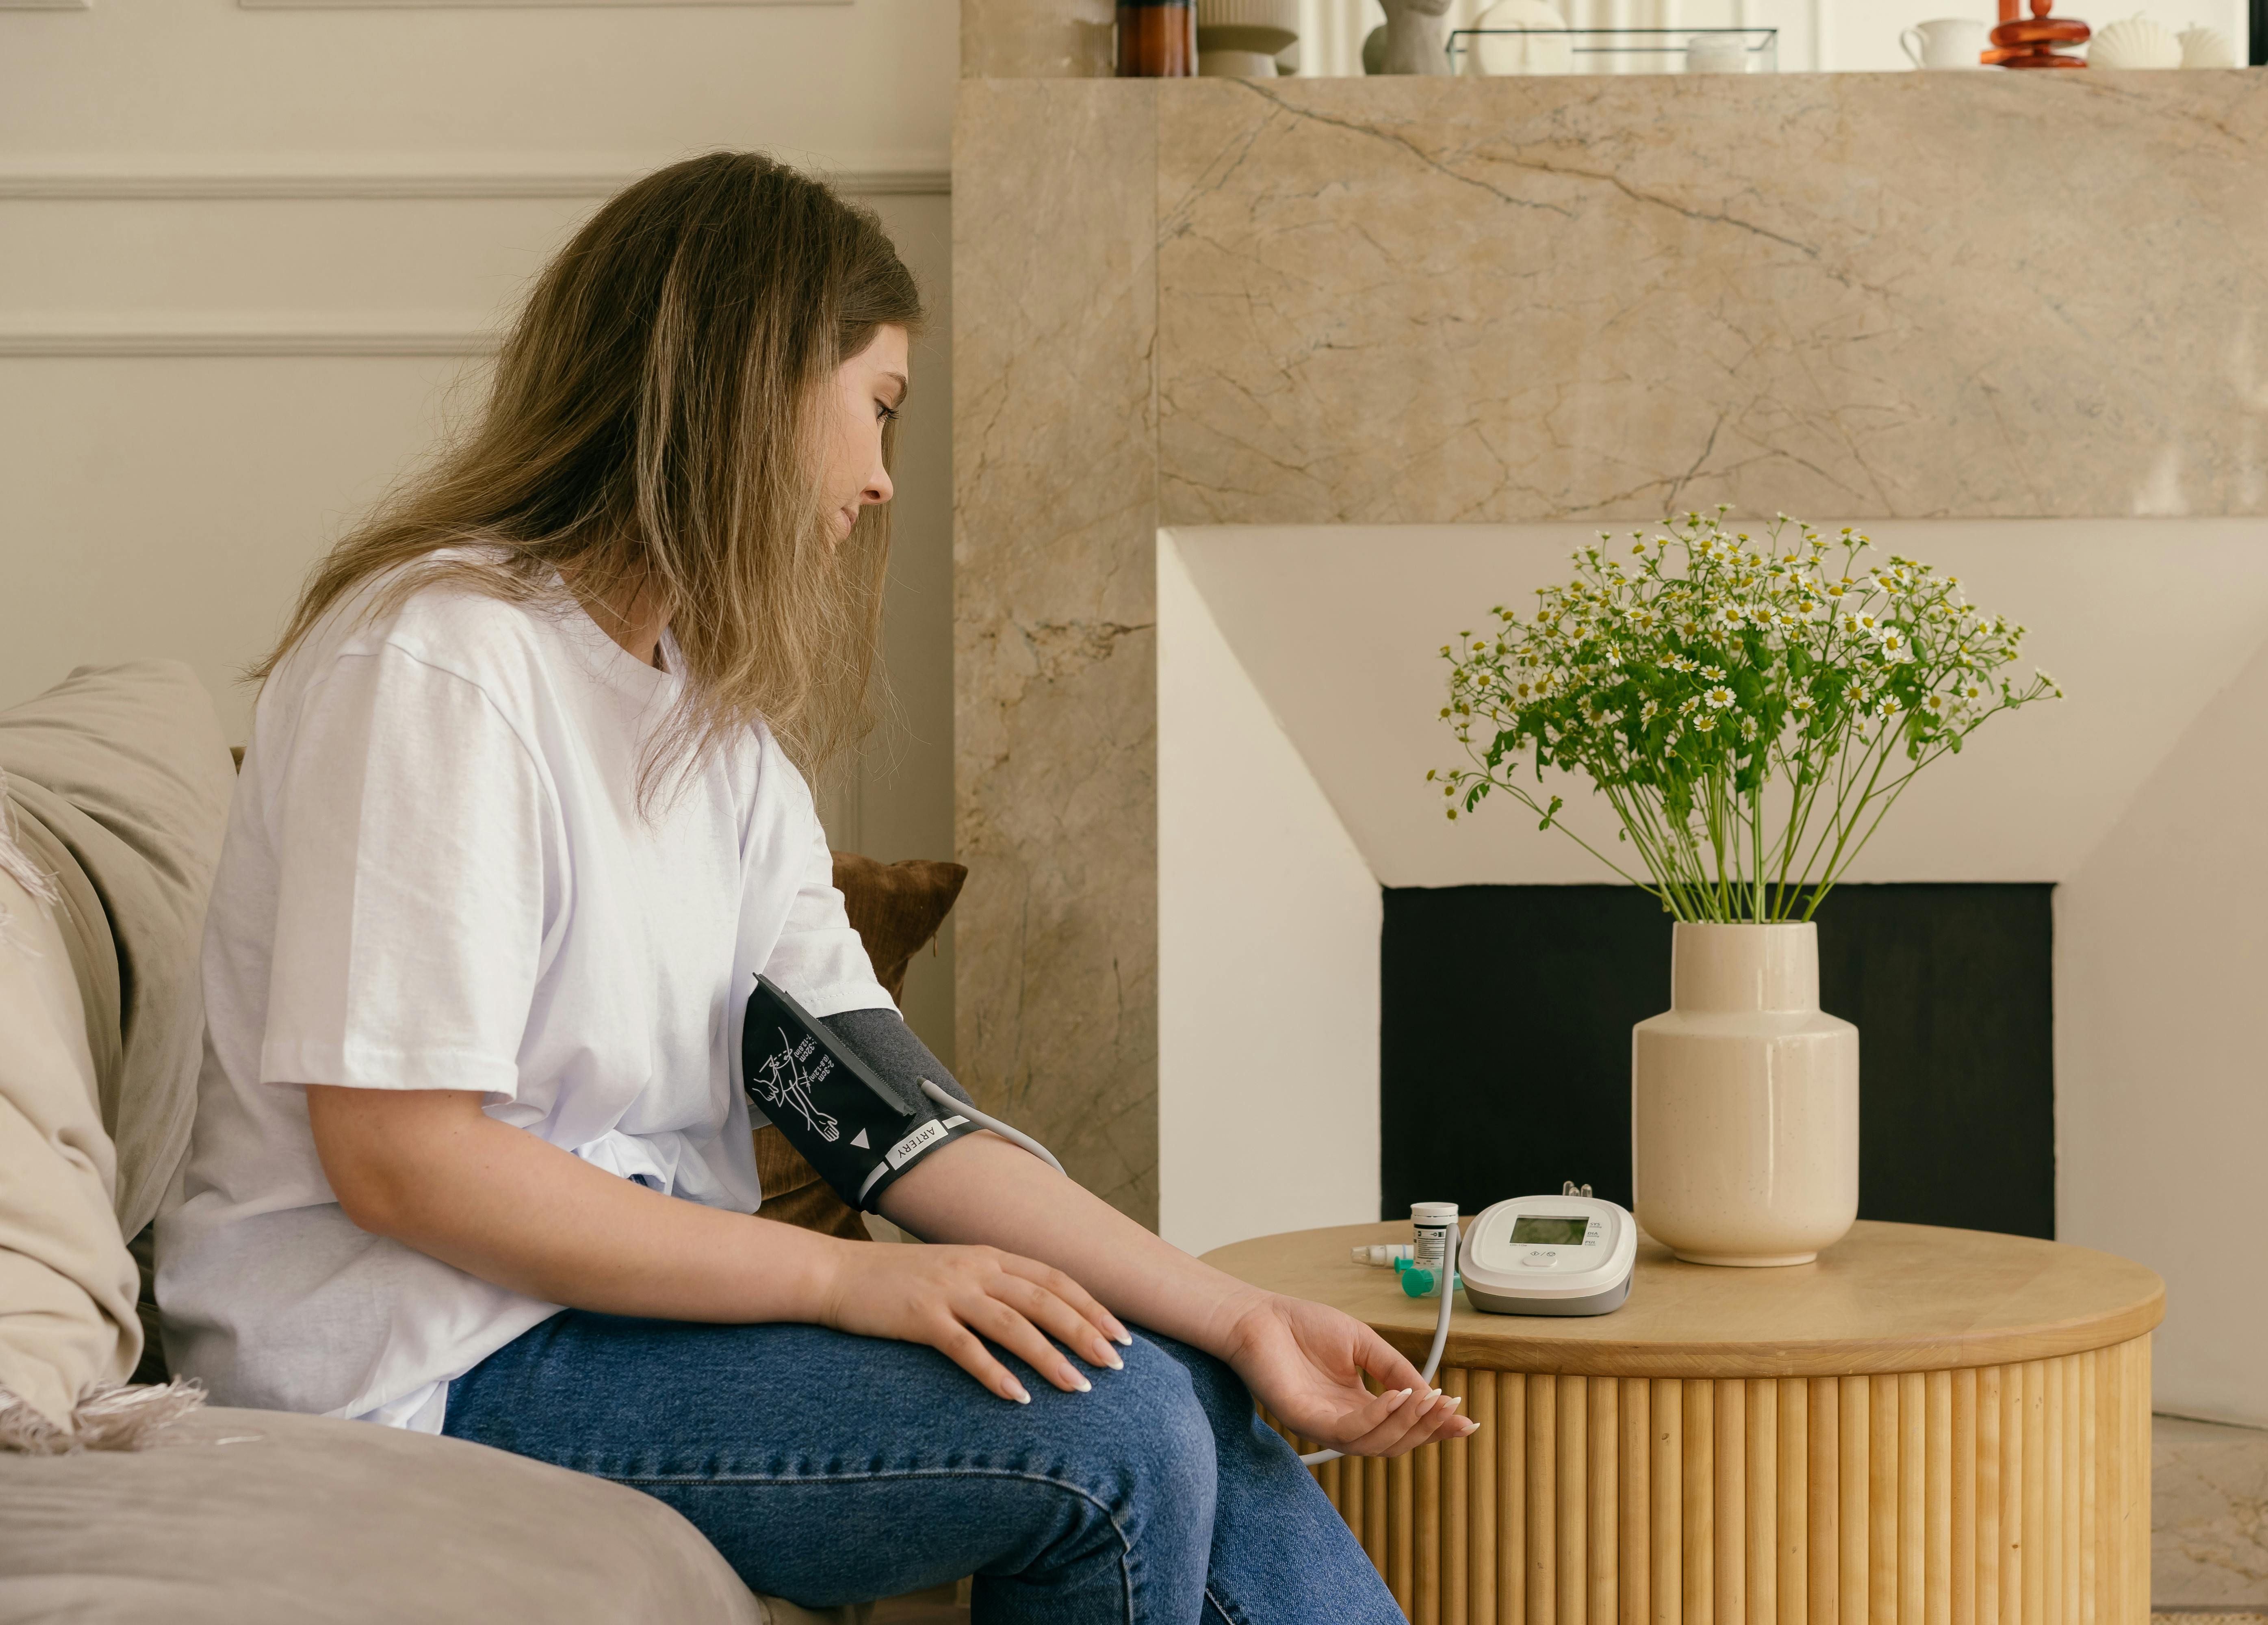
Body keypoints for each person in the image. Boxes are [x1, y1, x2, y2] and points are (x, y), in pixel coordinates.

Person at [155, 152, 1470, 1623]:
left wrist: (1238, 1315)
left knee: (1167, 1378)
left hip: (602, 1328)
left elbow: (889, 1117)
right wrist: (850, 1284)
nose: (881, 476)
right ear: (751, 383)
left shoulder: (713, 730)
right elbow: (404, 1158)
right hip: (418, 1359)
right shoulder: (444, 661)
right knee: (1108, 1435)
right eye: (879, 406)